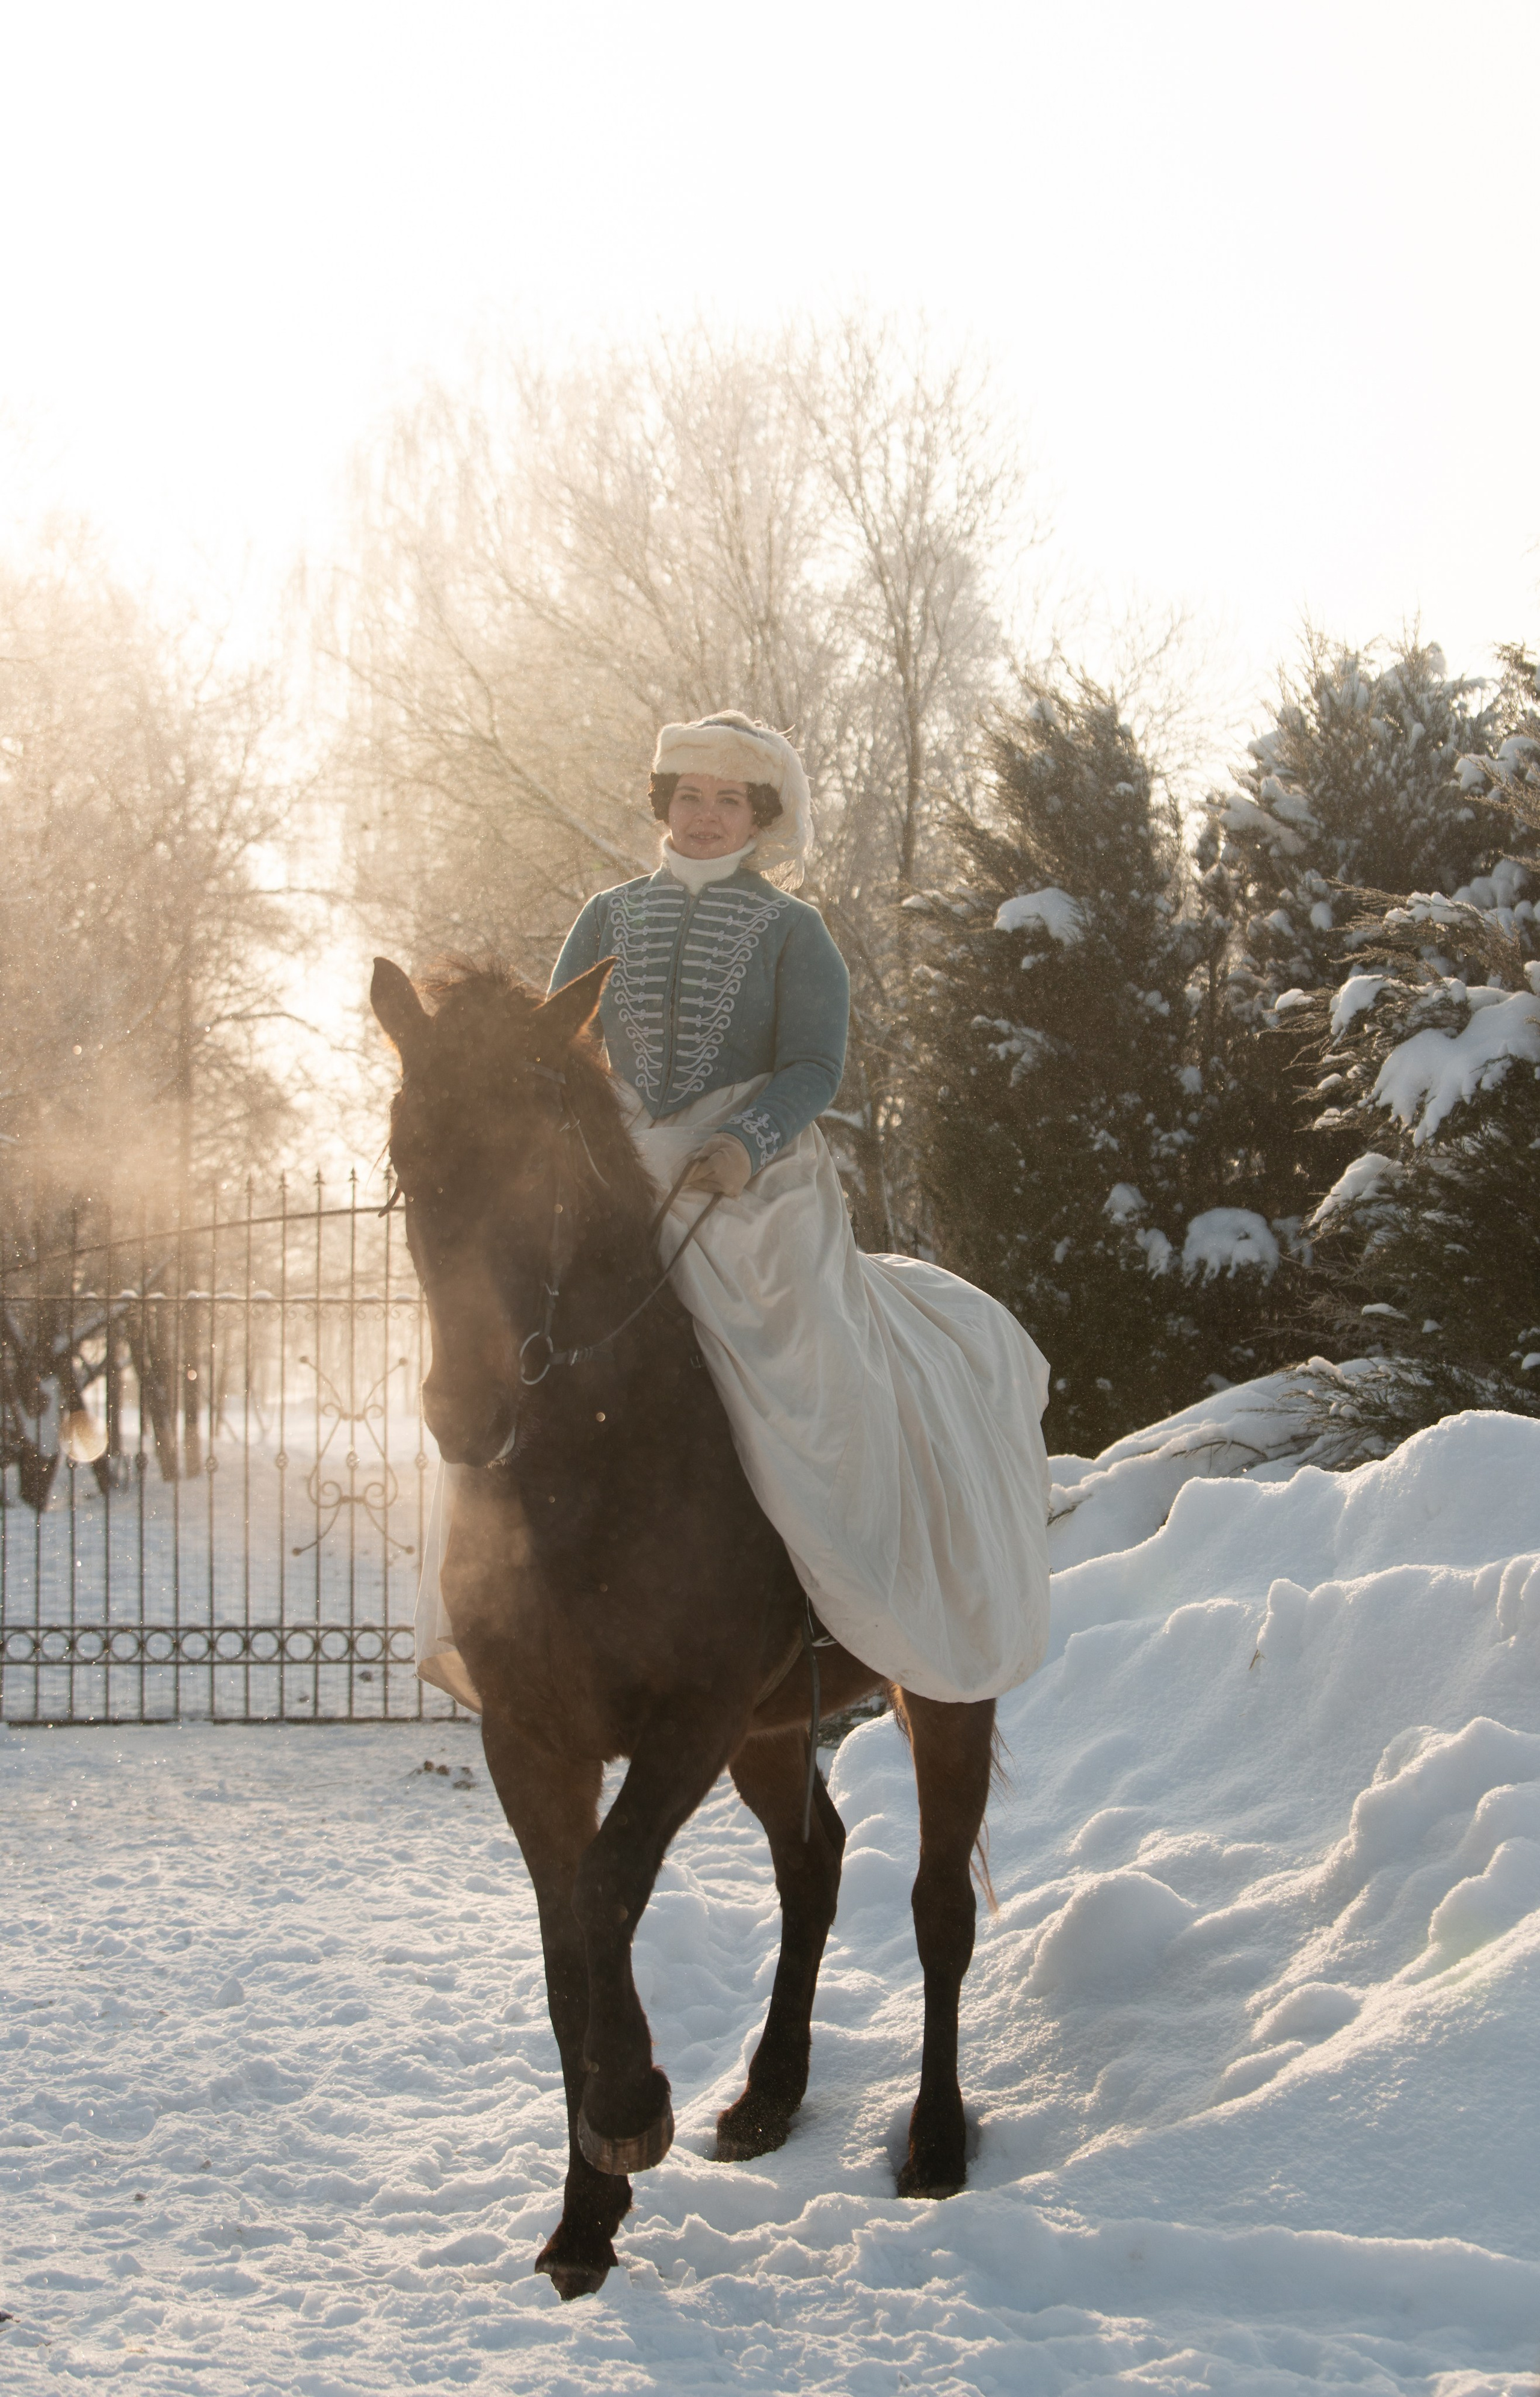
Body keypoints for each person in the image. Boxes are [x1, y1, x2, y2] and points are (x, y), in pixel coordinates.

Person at [417, 711, 1052, 1709]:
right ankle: (501, 1588)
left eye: (727, 801)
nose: (705, 816)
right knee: (520, 1319)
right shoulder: (606, 915)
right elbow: (550, 1054)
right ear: (662, 804)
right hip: (623, 1153)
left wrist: (745, 1142)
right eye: (688, 796)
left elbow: (814, 1065)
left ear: (759, 817)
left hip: (751, 1171)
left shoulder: (795, 931)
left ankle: (830, 1583)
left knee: (801, 1345)